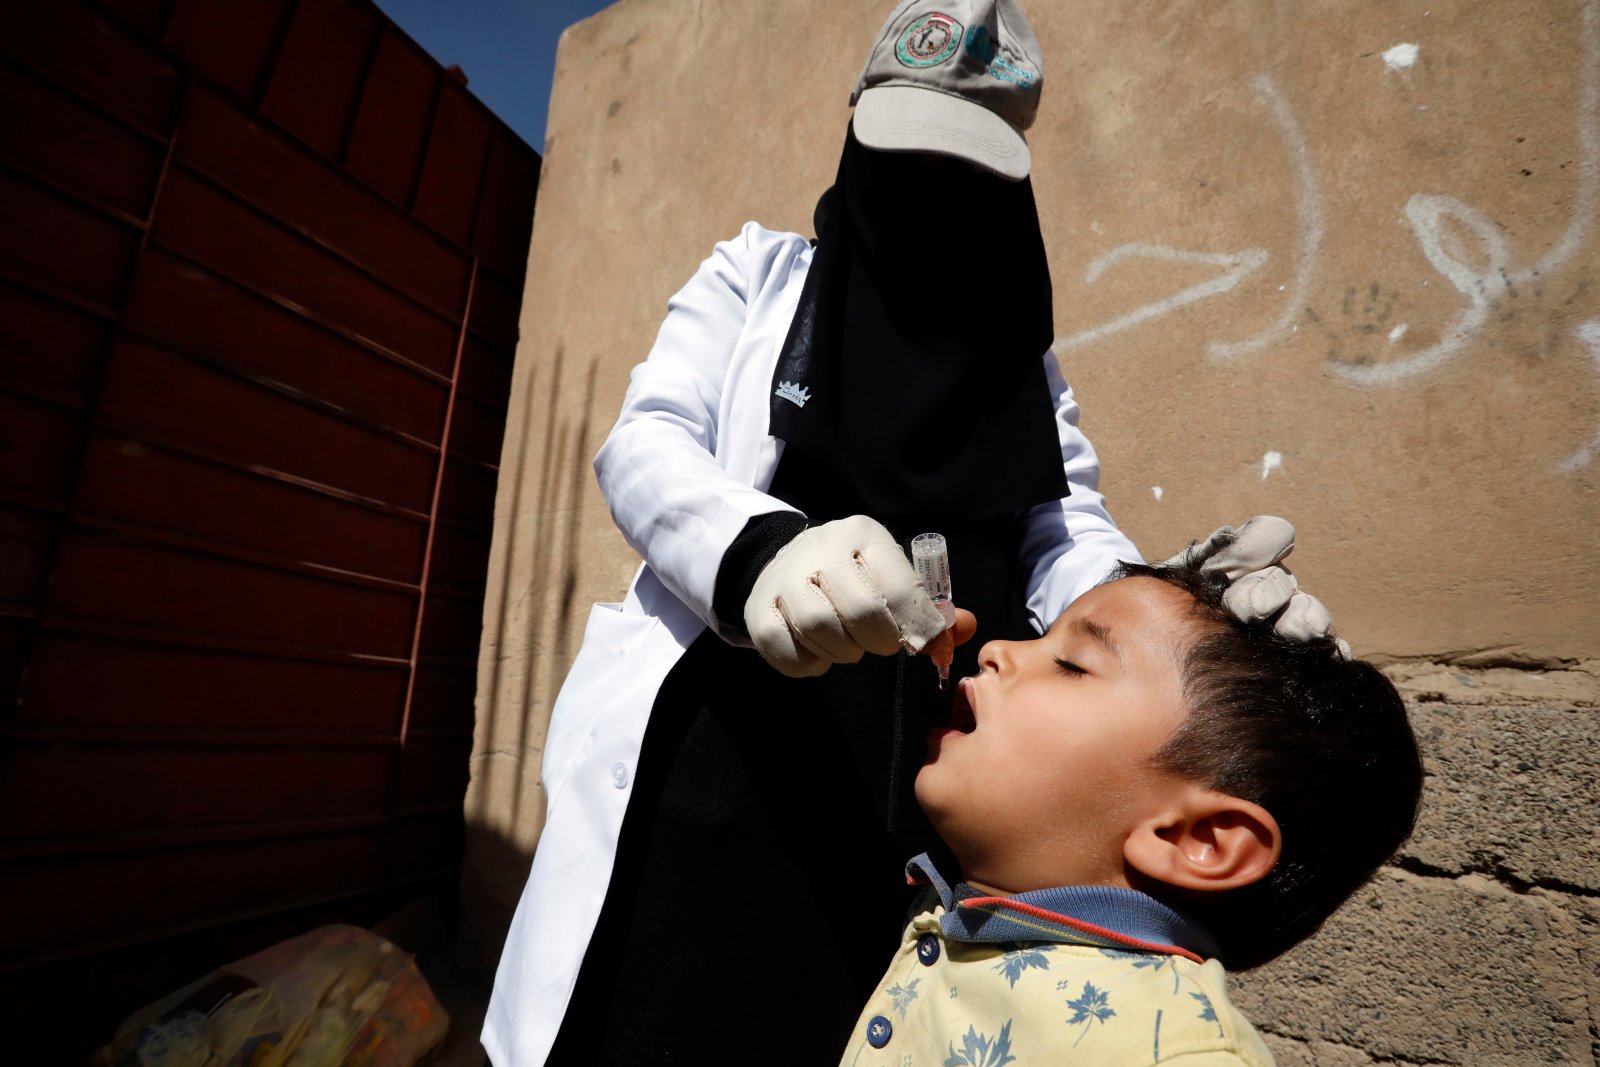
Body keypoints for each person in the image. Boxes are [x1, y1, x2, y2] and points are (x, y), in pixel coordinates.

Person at [483, 2, 1332, 1061]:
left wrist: (1168, 607)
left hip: (932, 767)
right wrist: (760, 555)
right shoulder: (757, 278)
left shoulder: (1019, 363)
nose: (932, 197)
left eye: (965, 172)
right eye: (907, 158)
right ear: (855, 132)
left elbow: (1064, 526)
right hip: (737, 746)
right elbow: (648, 443)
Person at [837, 523, 1423, 1065]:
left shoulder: (1176, 1053)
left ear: (1197, 840)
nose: (995, 649)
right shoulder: (949, 919)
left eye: (1071, 663)